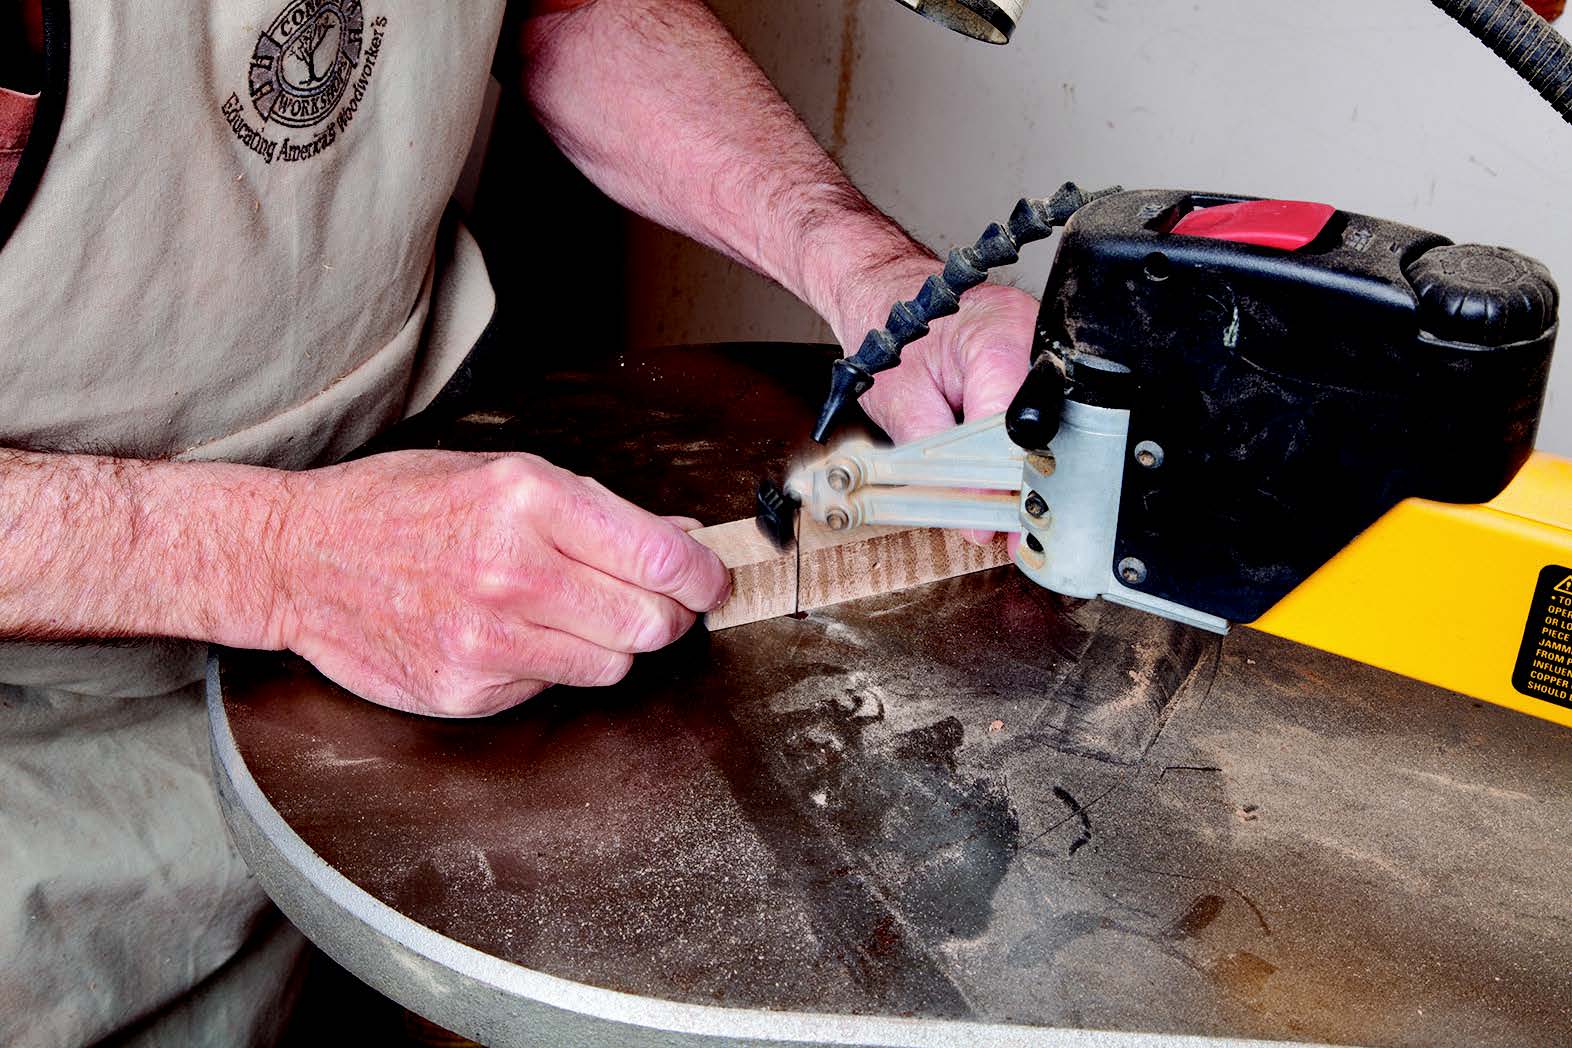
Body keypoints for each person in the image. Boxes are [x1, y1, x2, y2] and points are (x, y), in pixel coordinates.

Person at [0, 0, 1037, 1043]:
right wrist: (279, 556)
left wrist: (864, 267)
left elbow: (563, 9)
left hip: (399, 611)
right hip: (63, 765)